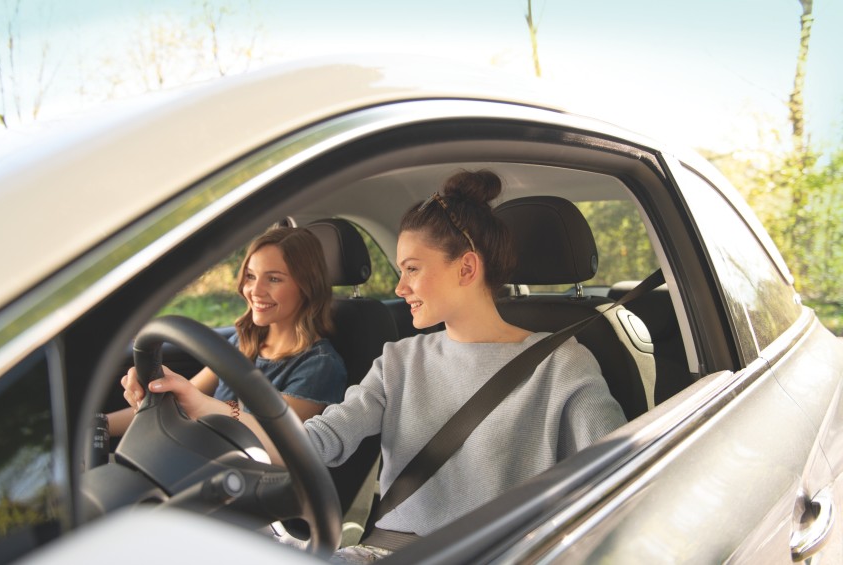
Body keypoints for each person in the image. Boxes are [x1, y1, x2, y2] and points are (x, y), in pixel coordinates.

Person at [125, 170, 626, 562]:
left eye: (411, 270)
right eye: (399, 272)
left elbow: (618, 489)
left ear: (467, 268)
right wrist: (204, 406)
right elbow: (317, 442)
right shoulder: (399, 360)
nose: (400, 287)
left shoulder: (562, 366)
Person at [111, 226, 347, 437]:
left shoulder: (320, 367)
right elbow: (182, 399)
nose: (255, 290)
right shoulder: (244, 341)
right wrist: (102, 424)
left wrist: (198, 404)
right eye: (251, 276)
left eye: (274, 279)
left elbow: (275, 438)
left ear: (307, 287)